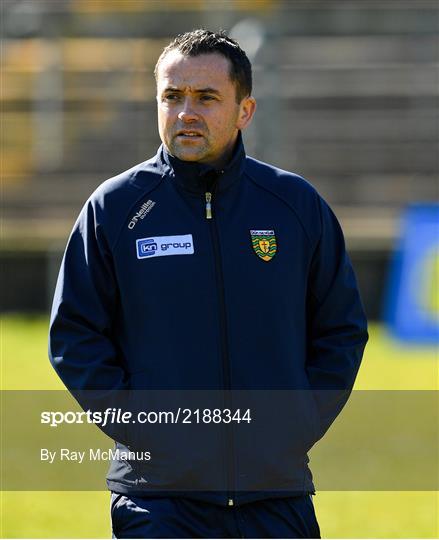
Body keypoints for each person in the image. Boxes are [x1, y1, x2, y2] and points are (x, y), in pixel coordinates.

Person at [49, 29, 368, 539]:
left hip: (276, 494)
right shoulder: (114, 209)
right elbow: (75, 337)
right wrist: (142, 427)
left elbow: (341, 330)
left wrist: (296, 424)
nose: (185, 113)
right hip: (158, 498)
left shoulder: (295, 207)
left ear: (245, 110)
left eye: (206, 98)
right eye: (172, 97)